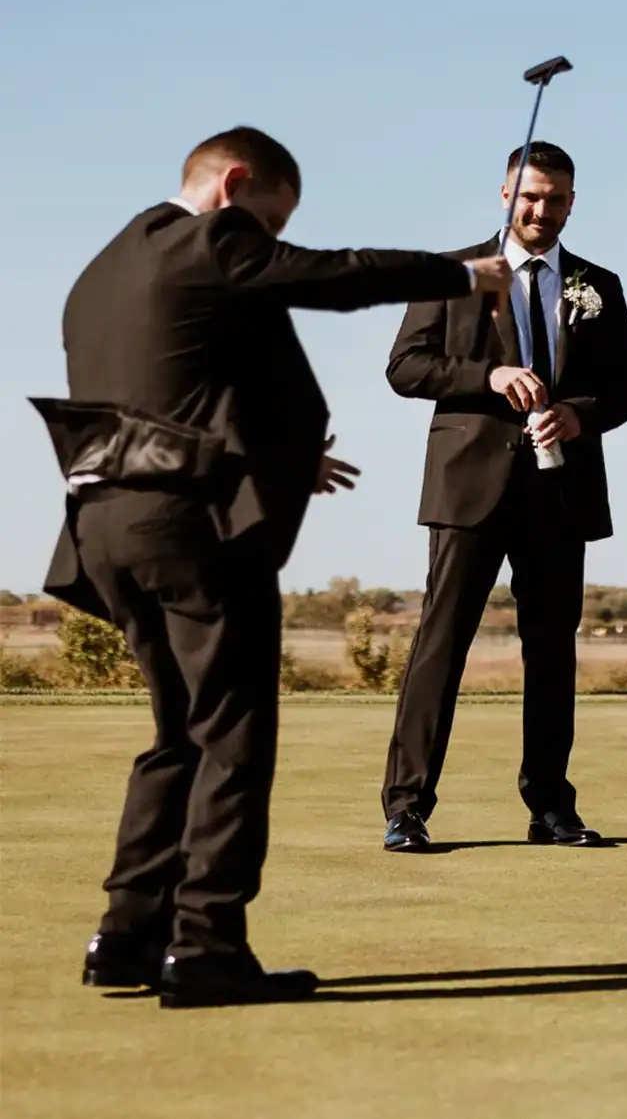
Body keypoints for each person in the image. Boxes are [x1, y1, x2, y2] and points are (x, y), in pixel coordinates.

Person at [40, 127, 507, 1007]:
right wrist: (463, 275)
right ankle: (207, 945)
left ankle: (127, 935)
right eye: (269, 220)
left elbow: (180, 388)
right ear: (236, 186)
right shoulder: (213, 239)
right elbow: (332, 276)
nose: (270, 241)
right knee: (234, 734)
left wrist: (290, 456)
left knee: (179, 731)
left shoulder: (106, 266)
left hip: (107, 526)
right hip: (191, 532)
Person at [379, 141, 627, 852]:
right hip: (469, 488)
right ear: (504, 196)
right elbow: (405, 367)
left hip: (560, 490)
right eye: (530, 197)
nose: (542, 209)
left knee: (552, 654)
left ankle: (551, 808)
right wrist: (489, 377)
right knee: (440, 646)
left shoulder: (599, 285)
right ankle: (406, 808)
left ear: (572, 203)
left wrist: (581, 413)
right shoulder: (454, 273)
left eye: (556, 199)